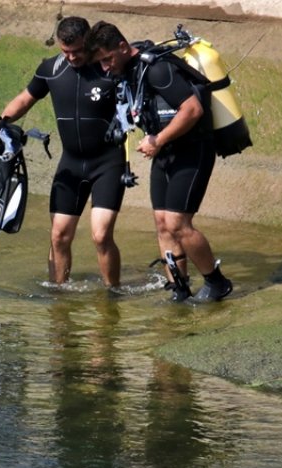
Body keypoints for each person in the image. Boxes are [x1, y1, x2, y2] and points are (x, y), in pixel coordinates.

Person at [86, 21, 233, 302]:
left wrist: (158, 140)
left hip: (192, 150)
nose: (105, 67)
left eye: (107, 59)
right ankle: (178, 287)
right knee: (162, 224)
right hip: (166, 153)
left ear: (121, 46)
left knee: (178, 224)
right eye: (100, 62)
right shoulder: (130, 72)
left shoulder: (156, 69)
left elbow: (192, 109)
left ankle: (217, 282)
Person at [0, 17, 125, 288]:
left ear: (88, 42)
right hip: (71, 164)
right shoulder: (50, 69)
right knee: (58, 237)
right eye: (65, 51)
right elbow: (25, 99)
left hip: (108, 163)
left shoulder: (108, 68)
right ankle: (58, 296)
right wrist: (2, 121)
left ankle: (112, 295)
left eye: (77, 51)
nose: (71, 57)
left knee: (101, 236)